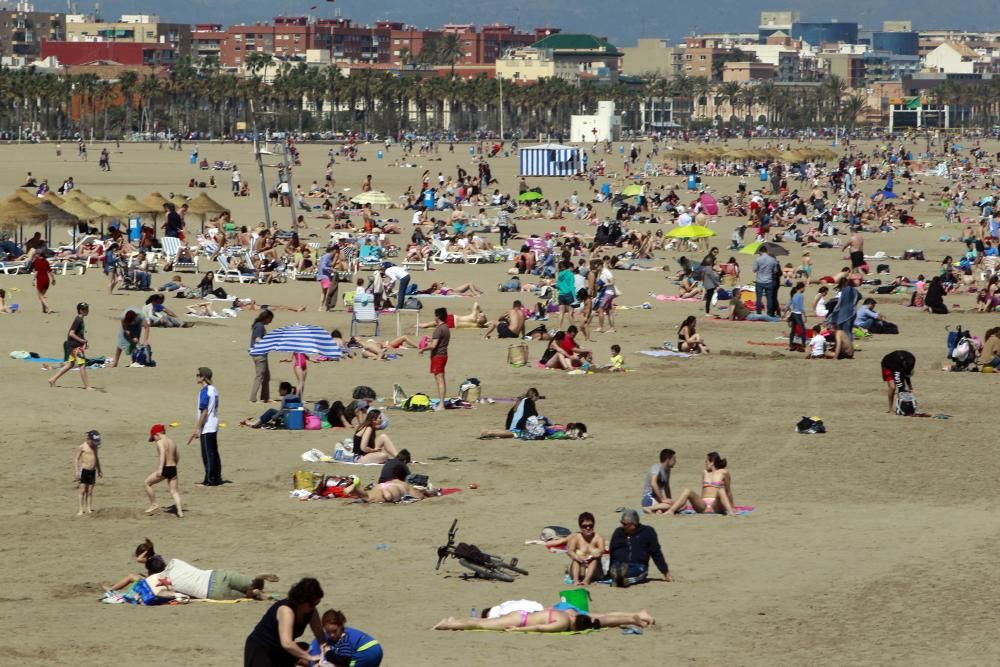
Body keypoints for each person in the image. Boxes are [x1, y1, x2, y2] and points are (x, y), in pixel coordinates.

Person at [244, 578, 326, 666]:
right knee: (307, 655)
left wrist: (324, 648)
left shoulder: (311, 611)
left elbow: (319, 634)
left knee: (310, 650)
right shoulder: (286, 610)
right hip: (261, 649)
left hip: (280, 650)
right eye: (312, 604)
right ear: (301, 601)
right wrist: (309, 657)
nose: (314, 607)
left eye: (316, 604)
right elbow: (287, 643)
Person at [607, 509, 672, 586]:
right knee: (617, 572)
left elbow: (656, 553)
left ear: (634, 524)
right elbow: (612, 552)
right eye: (622, 523)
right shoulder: (618, 532)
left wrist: (665, 572)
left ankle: (619, 579)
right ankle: (618, 578)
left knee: (624, 576)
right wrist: (610, 569)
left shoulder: (648, 532)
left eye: (625, 524)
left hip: (638, 566)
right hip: (620, 564)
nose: (622, 526)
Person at [663, 452, 736, 516]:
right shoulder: (705, 472)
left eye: (706, 461)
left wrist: (732, 506)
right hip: (703, 506)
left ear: (712, 462)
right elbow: (703, 490)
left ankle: (730, 512)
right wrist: (700, 502)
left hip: (716, 505)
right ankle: (671, 511)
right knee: (687, 490)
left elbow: (728, 491)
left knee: (721, 490)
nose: (705, 463)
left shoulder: (723, 472)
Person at [309, 609, 383, 667]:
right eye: (328, 632)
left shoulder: (344, 638)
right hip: (375, 647)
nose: (332, 635)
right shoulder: (346, 633)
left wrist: (329, 654)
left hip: (366, 651)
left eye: (334, 631)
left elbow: (345, 661)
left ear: (341, 626)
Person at [433, 608, 600, 633]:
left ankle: (453, 620)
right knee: (480, 624)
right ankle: (446, 624)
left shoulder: (567, 614)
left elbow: (571, 610)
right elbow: (540, 628)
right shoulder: (563, 624)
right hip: (521, 621)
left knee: (483, 622)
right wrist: (517, 630)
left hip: (522, 614)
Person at [48, 302, 94, 390]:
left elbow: (79, 333)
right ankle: (87, 386)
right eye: (85, 309)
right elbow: (71, 333)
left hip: (74, 345)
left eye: (87, 309)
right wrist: (82, 341)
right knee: (82, 365)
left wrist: (84, 342)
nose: (87, 311)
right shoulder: (78, 320)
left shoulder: (80, 319)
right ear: (80, 311)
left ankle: (52, 379)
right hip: (76, 346)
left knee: (70, 364)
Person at [192, 366, 222, 486]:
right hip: (214, 423)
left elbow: (204, 412)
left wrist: (197, 428)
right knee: (214, 452)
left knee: (207, 454)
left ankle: (209, 480)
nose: (196, 377)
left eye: (198, 375)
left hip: (207, 425)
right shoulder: (214, 389)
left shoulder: (204, 391)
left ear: (203, 377)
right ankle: (216, 477)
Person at [145, 424, 183, 517]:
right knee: (174, 491)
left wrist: (160, 468)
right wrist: (174, 465)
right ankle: (180, 512)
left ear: (157, 434)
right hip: (173, 468)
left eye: (153, 437)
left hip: (165, 468)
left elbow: (162, 454)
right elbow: (177, 456)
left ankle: (154, 504)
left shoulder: (160, 442)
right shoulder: (172, 441)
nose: (154, 440)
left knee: (147, 483)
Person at [420, 307, 450, 411]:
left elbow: (434, 346)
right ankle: (442, 403)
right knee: (440, 380)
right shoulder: (446, 327)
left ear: (437, 316)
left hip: (438, 356)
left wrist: (423, 349)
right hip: (443, 355)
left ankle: (441, 404)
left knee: (440, 380)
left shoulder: (438, 329)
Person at [565, 512, 606, 586]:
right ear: (580, 527)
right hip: (578, 569)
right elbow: (570, 551)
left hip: (594, 571)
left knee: (594, 560)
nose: (588, 528)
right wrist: (578, 557)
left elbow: (601, 550)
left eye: (590, 525)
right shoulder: (576, 538)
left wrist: (592, 556)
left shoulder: (598, 538)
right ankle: (576, 580)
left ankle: (586, 580)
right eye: (585, 526)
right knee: (576, 559)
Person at [74, 430, 102, 515]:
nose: (94, 443)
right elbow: (76, 459)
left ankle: (89, 508)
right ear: (88, 439)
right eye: (93, 441)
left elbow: (96, 458)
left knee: (90, 491)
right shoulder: (82, 447)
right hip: (84, 470)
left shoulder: (95, 447)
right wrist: (77, 471)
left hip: (92, 471)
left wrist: (99, 470)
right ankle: (81, 509)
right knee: (82, 490)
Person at [249, 310, 273, 403]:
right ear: (266, 318)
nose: (270, 321)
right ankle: (253, 398)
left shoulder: (258, 325)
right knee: (260, 376)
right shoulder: (260, 326)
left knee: (266, 376)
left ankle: (265, 397)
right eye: (270, 319)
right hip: (259, 354)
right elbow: (258, 339)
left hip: (261, 354)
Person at [752, 246, 779, 317]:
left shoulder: (758, 259)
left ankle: (758, 312)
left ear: (761, 252)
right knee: (769, 298)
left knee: (759, 298)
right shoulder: (772, 260)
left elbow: (754, 270)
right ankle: (769, 313)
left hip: (759, 281)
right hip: (769, 281)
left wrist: (760, 269)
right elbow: (775, 271)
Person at [317, 246, 339, 312]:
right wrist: (331, 269)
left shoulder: (327, 257)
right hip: (324, 276)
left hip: (323, 276)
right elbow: (323, 267)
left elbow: (330, 264)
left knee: (324, 292)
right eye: (336, 251)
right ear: (334, 250)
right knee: (327, 292)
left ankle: (321, 307)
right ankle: (323, 307)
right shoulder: (326, 256)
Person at [787, 282, 807, 352]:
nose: (804, 289)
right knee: (803, 330)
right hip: (797, 314)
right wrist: (804, 315)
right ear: (801, 288)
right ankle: (803, 344)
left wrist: (785, 312)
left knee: (793, 330)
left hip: (792, 313)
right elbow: (800, 307)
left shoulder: (794, 295)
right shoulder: (801, 295)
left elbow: (789, 304)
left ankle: (791, 344)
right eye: (804, 287)